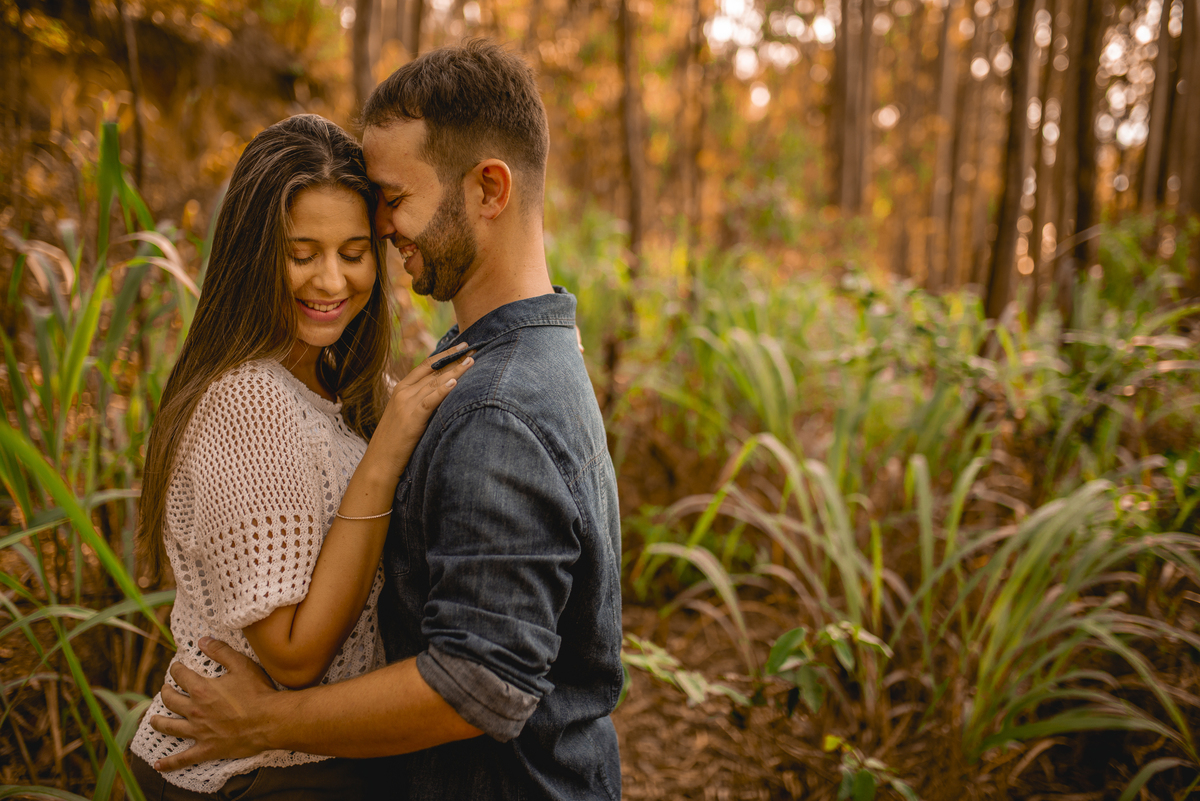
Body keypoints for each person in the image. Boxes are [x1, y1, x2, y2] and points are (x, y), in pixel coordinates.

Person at [149, 40, 624, 800]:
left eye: (393, 201)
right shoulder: (532, 353)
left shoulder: (498, 405)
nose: (384, 227)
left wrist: (268, 719)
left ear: (489, 189)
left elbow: (476, 681)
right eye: (304, 250)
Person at [128, 113, 475, 799]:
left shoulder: (336, 389)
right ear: (254, 256)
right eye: (301, 252)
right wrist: (389, 445)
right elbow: (293, 655)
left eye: (353, 251)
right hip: (248, 775)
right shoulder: (248, 401)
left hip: (305, 757)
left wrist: (532, 343)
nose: (330, 280)